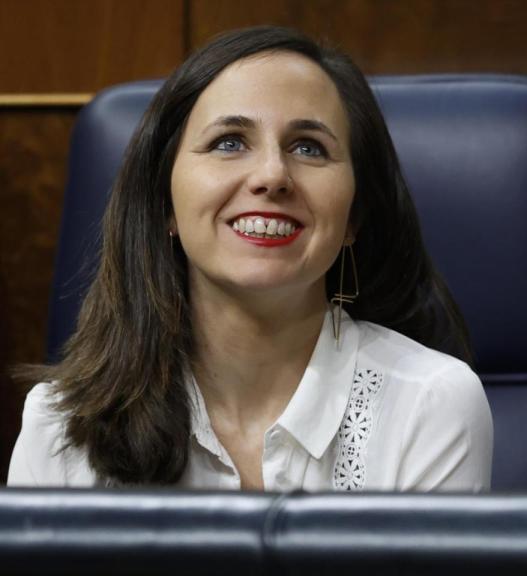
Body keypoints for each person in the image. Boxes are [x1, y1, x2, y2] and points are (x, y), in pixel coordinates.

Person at [8, 26, 492, 491]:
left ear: (353, 218)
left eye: (309, 147)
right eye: (229, 142)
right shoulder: (58, 426)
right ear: (164, 205)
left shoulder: (430, 405)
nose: (271, 176)